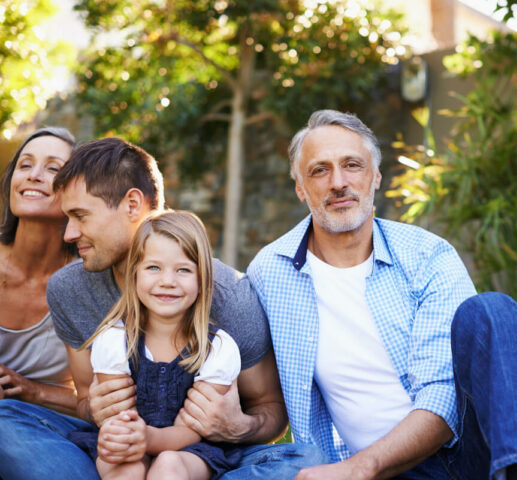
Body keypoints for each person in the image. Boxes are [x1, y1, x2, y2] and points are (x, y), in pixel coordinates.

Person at [247, 110, 517, 480]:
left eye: (352, 165)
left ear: (375, 176)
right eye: (320, 170)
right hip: (358, 469)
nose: (338, 182)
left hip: (459, 456)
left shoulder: (428, 255)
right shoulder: (271, 271)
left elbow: (443, 397)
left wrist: (359, 469)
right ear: (300, 188)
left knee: (493, 310)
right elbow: (248, 377)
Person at [0, 137, 323, 480]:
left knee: (306, 461)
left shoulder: (229, 297)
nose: (68, 233)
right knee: (6, 419)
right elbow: (85, 403)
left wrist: (238, 426)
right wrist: (97, 410)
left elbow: (270, 413)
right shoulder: (70, 289)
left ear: (132, 204)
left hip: (202, 458)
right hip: (117, 453)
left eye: (80, 216)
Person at [69, 211, 247, 480]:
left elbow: (193, 429)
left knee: (168, 466)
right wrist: (123, 437)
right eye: (154, 267)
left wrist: (148, 439)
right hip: (127, 441)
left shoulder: (217, 347)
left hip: (191, 448)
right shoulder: (115, 339)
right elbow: (116, 417)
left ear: (202, 281)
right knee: (127, 467)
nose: (167, 281)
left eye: (183, 270)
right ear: (135, 275)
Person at [0, 127, 78, 417]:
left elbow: (98, 402)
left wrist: (31, 391)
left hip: (48, 422)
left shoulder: (88, 281)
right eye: (25, 164)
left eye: (53, 168)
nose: (34, 176)